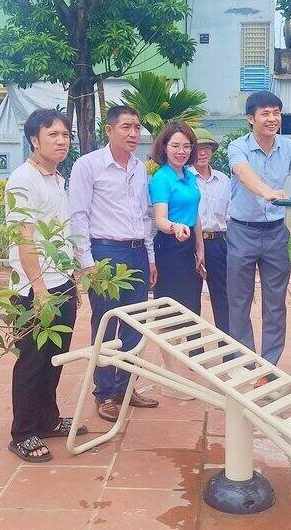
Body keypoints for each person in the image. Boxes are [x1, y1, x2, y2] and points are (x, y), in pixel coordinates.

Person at [69, 105, 160, 422]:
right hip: (105, 253)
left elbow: (144, 215)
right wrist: (86, 261)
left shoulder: (139, 167)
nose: (133, 133)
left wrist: (149, 255)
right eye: (126, 127)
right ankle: (104, 393)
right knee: (106, 323)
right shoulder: (88, 165)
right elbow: (78, 215)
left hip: (136, 252)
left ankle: (125, 387)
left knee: (136, 323)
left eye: (137, 127)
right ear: (108, 130)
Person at [5, 108, 87, 462]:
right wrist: (39, 290)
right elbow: (24, 238)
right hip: (34, 289)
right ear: (34, 140)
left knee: (53, 358)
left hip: (60, 282)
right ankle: (23, 432)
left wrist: (71, 280)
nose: (61, 141)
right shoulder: (23, 180)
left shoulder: (56, 178)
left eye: (65, 135)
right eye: (52, 134)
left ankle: (47, 419)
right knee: (31, 361)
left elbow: (60, 235)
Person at [226, 91, 291, 376]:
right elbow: (243, 173)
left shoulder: (287, 146)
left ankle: (268, 368)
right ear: (250, 118)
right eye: (265, 113)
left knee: (275, 303)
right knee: (239, 302)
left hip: (275, 234)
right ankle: (245, 366)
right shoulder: (238, 147)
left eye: (276, 113)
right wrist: (266, 191)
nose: (272, 119)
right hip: (242, 231)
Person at [149, 121, 205, 399]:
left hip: (189, 248)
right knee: (168, 312)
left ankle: (175, 371)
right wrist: (175, 227)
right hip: (170, 248)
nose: (181, 151)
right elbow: (160, 219)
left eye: (186, 146)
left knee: (188, 310)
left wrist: (200, 249)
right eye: (175, 146)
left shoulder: (190, 176)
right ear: (164, 147)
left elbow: (195, 216)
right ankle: (170, 379)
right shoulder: (161, 178)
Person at [191, 128, 231, 335]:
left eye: (207, 148)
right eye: (198, 148)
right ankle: (194, 348)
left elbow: (230, 215)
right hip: (190, 243)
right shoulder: (184, 178)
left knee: (223, 297)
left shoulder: (223, 180)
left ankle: (227, 347)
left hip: (218, 243)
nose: (202, 153)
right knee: (191, 297)